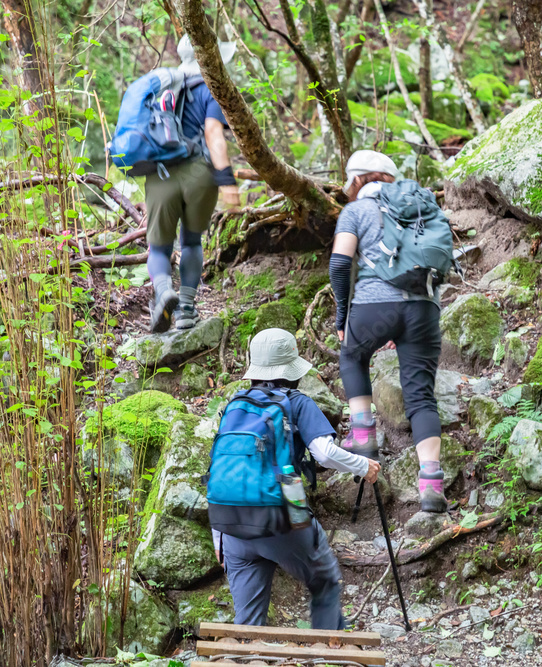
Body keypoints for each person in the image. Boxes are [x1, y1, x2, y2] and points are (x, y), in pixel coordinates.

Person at [213, 328, 380, 628]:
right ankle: (330, 651)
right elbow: (324, 454)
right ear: (291, 370)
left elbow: (221, 467)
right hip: (282, 505)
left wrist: (219, 535)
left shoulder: (235, 405)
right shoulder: (297, 401)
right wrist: (362, 466)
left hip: (230, 520)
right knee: (326, 579)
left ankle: (243, 658)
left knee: (247, 624)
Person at [329, 150, 447, 514]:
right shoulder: (422, 208)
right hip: (424, 308)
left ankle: (363, 438)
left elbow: (339, 262)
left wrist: (342, 317)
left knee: (351, 353)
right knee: (421, 396)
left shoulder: (356, 211)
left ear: (357, 179)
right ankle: (431, 485)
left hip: (374, 306)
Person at [147, 34, 240, 334]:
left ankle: (163, 290)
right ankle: (186, 308)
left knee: (159, 247)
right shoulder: (211, 90)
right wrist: (227, 181)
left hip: (160, 173)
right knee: (190, 240)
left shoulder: (160, 89)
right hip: (199, 172)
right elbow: (213, 134)